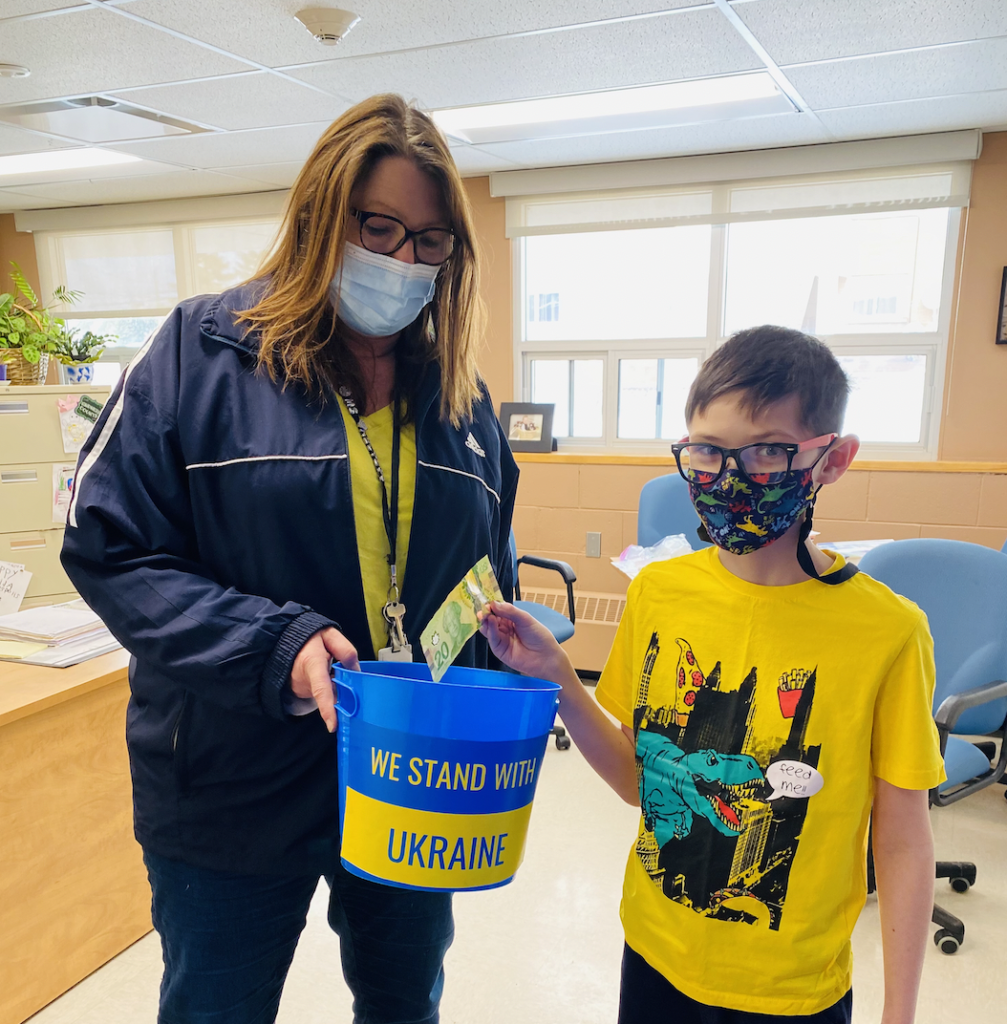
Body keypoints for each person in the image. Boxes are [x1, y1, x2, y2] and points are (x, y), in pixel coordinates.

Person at [61, 94, 518, 1024]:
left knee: (403, 1003)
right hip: (231, 779)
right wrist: (277, 646)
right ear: (319, 218)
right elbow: (110, 546)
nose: (402, 262)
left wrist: (485, 683)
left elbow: (483, 574)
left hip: (409, 779)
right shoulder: (198, 352)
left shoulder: (460, 402)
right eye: (379, 228)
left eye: (431, 242)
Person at [481, 326, 944, 1024]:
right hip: (654, 952)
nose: (728, 478)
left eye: (764, 451)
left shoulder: (888, 631)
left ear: (832, 459)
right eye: (704, 451)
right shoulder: (659, 593)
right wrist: (559, 679)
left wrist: (899, 1015)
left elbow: (903, 842)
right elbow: (643, 784)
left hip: (790, 989)